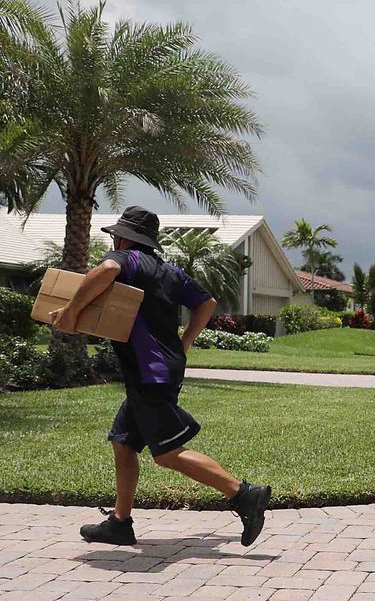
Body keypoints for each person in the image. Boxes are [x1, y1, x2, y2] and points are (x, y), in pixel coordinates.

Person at [49, 206, 271, 547]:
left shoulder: (127, 260)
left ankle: (244, 494)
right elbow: (207, 302)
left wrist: (71, 311)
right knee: (123, 441)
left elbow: (107, 268)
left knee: (167, 453)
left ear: (124, 237)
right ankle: (120, 523)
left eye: (116, 237)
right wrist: (184, 341)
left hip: (149, 372)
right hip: (163, 367)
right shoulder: (169, 271)